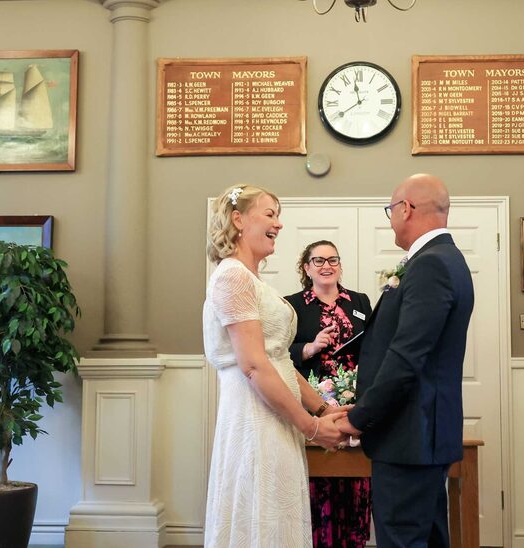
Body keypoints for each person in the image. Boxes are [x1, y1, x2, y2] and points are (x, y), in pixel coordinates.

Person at [202, 184, 347, 548]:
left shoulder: (251, 280)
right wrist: (311, 427)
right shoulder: (232, 276)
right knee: (261, 519)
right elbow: (252, 366)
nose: (279, 224)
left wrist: (323, 407)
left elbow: (277, 358)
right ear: (238, 220)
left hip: (275, 416)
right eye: (270, 214)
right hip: (255, 418)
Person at [336, 174, 475, 548]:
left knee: (402, 540)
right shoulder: (443, 259)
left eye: (390, 210)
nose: (391, 219)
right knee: (425, 538)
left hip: (410, 436)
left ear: (406, 209)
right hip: (419, 436)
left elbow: (407, 357)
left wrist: (359, 418)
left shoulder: (431, 264)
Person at [285, 240, 373, 548]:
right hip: (313, 406)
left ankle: (353, 541)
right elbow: (276, 357)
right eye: (318, 260)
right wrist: (309, 348)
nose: (326, 266)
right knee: (318, 480)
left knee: (356, 479)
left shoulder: (360, 301)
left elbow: (373, 346)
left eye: (332, 259)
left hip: (354, 405)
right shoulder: (291, 305)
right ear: (306, 268)